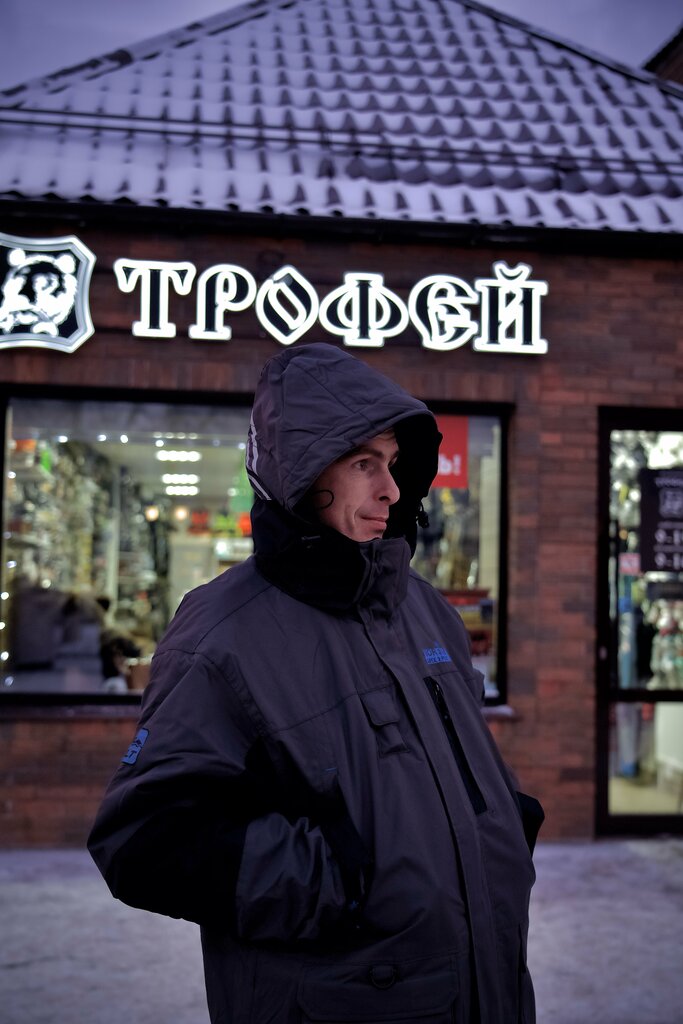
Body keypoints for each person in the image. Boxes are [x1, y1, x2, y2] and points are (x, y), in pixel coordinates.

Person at [88, 342, 543, 1024]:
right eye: (363, 464)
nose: (390, 489)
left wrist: (498, 823)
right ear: (301, 473)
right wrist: (337, 878)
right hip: (342, 1000)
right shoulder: (224, 633)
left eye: (392, 463)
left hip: (486, 988)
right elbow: (144, 841)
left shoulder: (424, 609)